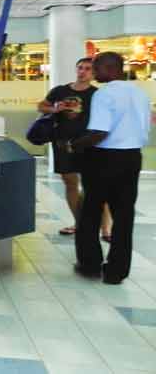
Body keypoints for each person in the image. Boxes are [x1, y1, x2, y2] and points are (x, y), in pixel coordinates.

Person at [68, 52, 151, 284]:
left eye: (96, 68)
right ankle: (116, 272)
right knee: (124, 216)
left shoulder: (104, 94)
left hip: (104, 159)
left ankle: (90, 265)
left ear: (109, 68)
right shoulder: (139, 93)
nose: (93, 72)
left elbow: (99, 133)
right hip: (132, 158)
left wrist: (74, 144)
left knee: (90, 212)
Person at [38, 58, 111, 239]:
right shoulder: (60, 91)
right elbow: (41, 106)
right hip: (63, 143)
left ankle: (106, 229)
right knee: (70, 183)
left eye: (87, 69)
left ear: (93, 73)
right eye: (80, 68)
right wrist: (54, 108)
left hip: (89, 144)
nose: (83, 72)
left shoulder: (98, 94)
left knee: (96, 187)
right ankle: (80, 224)